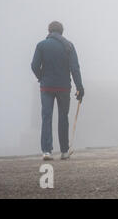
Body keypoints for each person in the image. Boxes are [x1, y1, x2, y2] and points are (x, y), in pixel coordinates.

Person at [31, 21, 84, 160]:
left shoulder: (41, 45)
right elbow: (75, 68)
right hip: (63, 88)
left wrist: (41, 77)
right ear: (62, 32)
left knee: (46, 117)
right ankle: (64, 151)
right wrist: (80, 87)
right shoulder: (69, 46)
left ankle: (47, 151)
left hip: (46, 87)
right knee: (63, 118)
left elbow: (34, 65)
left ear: (49, 31)